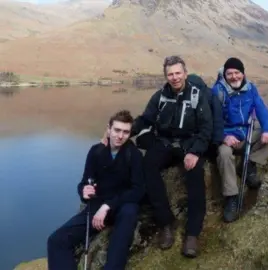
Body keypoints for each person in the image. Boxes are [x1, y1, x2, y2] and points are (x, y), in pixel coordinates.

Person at [130, 56, 213, 258]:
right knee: (148, 165)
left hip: (189, 144)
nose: (174, 77)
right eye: (170, 74)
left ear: (185, 73)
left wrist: (195, 151)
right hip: (165, 143)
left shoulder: (197, 95)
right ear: (166, 76)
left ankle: (192, 233)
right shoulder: (160, 96)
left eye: (178, 73)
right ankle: (165, 223)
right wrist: (123, 133)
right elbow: (145, 119)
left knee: (195, 174)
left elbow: (206, 128)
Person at [47, 110, 146, 270]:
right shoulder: (96, 152)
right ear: (109, 129)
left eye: (126, 132)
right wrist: (84, 192)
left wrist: (108, 206)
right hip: (98, 205)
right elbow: (85, 182)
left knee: (128, 217)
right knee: (56, 241)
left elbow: (138, 190)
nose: (120, 136)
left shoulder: (133, 155)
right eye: (117, 130)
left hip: (123, 206)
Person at [211, 57, 268, 223]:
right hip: (227, 137)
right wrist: (224, 136)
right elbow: (212, 121)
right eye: (229, 73)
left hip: (246, 133)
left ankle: (249, 165)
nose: (234, 77)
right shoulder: (217, 92)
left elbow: (261, 109)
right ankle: (231, 197)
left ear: (243, 73)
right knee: (224, 155)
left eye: (237, 72)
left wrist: (267, 130)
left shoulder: (250, 88)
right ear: (225, 75)